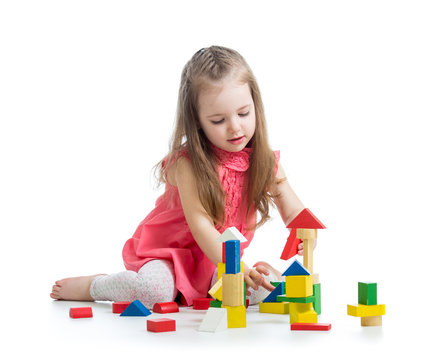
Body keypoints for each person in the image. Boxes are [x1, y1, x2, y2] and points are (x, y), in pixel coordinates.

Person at [50, 46, 310, 309]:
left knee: (254, 291)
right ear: (196, 121)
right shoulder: (188, 164)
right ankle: (94, 285)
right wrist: (233, 266)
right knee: (153, 292)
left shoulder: (264, 161)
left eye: (243, 113)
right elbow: (201, 227)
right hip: (169, 254)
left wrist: (304, 231)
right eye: (218, 120)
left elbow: (293, 209)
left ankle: (251, 279)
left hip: (214, 261)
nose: (235, 127)